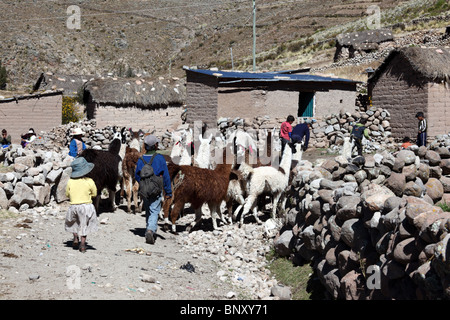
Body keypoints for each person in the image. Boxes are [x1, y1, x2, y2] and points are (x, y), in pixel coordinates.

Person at [135, 135, 172, 244]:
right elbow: (166, 176)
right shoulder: (160, 158)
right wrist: (168, 191)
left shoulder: (141, 159)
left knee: (148, 209)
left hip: (144, 189)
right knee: (155, 209)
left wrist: (143, 183)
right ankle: (150, 230)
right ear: (156, 145)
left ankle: (149, 228)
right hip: (156, 188)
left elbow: (137, 175)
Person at [65, 157, 99, 253]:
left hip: (74, 206)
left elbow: (67, 194)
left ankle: (75, 237)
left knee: (73, 222)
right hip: (86, 206)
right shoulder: (89, 181)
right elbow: (95, 193)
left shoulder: (70, 181)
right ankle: (83, 244)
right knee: (84, 225)